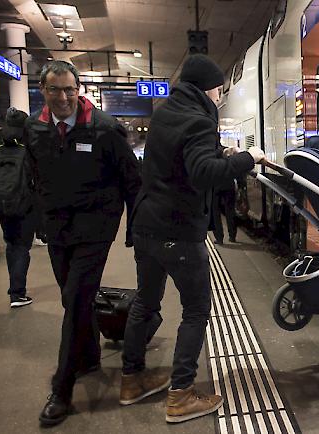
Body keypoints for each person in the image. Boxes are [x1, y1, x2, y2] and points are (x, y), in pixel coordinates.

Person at [120, 54, 266, 423]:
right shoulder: (200, 119)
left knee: (145, 303)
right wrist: (248, 157)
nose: (219, 97)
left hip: (145, 227)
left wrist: (222, 152)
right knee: (197, 310)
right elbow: (202, 173)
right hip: (177, 231)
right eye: (218, 90)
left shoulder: (166, 114)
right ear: (208, 88)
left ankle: (131, 380)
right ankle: (181, 395)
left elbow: (182, 161)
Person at [24, 60, 142, 426]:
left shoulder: (105, 130)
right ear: (43, 90)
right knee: (72, 297)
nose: (63, 97)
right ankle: (88, 355)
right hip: (58, 228)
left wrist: (132, 229)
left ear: (79, 91)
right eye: (55, 90)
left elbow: (132, 182)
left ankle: (62, 389)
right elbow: (34, 177)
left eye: (69, 90)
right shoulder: (35, 128)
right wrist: (39, 219)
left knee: (75, 298)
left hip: (95, 227)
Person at [0, 107, 35, 308]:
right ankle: (17, 293)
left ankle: (16, 290)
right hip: (25, 205)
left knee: (12, 244)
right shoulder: (30, 147)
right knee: (21, 246)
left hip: (1, 204)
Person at [212, 154, 238, 244]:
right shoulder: (226, 154)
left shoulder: (210, 154)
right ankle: (232, 236)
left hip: (215, 187)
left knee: (215, 213)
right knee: (230, 211)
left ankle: (219, 238)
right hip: (228, 185)